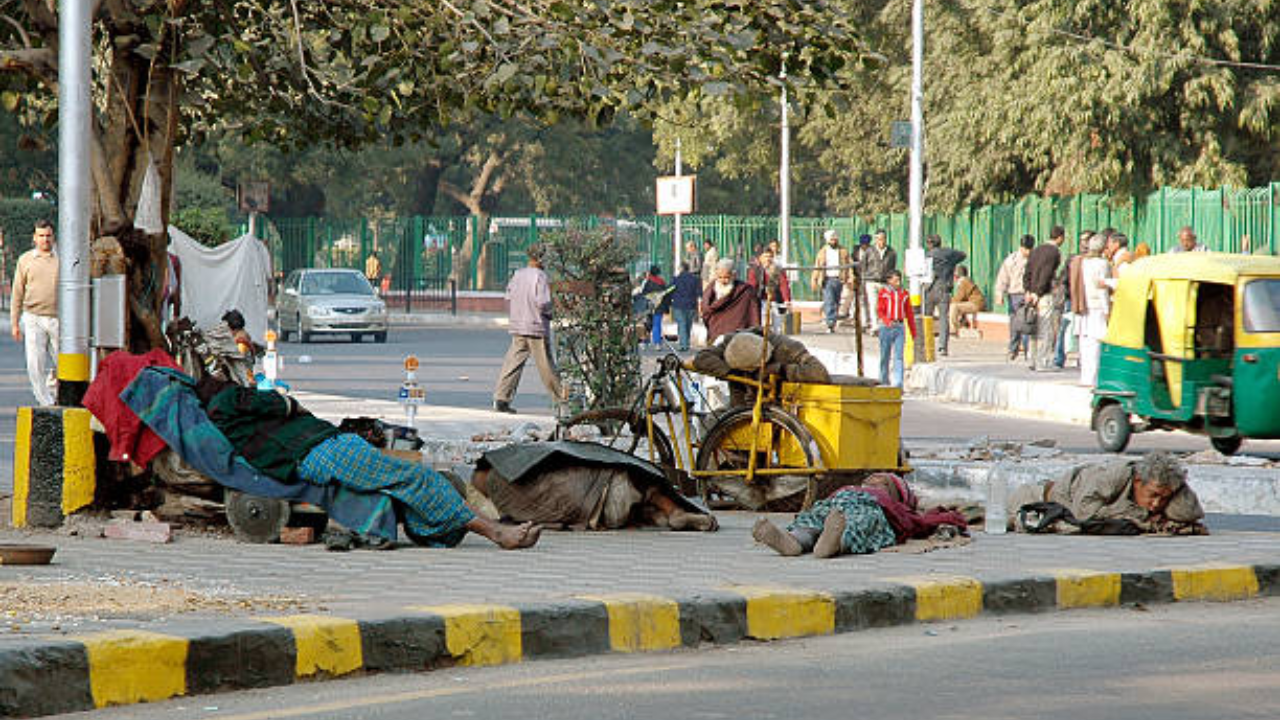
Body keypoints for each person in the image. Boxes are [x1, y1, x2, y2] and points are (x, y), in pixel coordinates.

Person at [195, 375, 541, 550]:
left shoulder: (223, 421)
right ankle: (498, 533)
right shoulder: (228, 401)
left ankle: (487, 527)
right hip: (325, 448)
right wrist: (291, 405)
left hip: (322, 450)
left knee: (407, 482)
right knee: (417, 478)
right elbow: (281, 402)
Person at [470, 441, 717, 532]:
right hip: (611, 489)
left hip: (597, 516)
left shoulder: (507, 510)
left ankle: (661, 518)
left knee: (630, 502)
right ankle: (671, 512)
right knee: (640, 482)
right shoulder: (519, 462)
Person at [752, 473, 968, 558]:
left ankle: (834, 543)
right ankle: (792, 542)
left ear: (895, 496)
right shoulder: (849, 489)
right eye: (871, 479)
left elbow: (921, 521)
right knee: (813, 516)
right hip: (835, 505)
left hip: (868, 508)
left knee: (860, 523)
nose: (874, 482)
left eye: (884, 483)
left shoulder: (892, 507)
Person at [1006, 452, 1204, 535]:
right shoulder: (1113, 477)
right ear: (1137, 481)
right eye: (1152, 495)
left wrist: (1179, 485)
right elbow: (1084, 513)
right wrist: (1139, 516)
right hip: (1035, 500)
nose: (1155, 504)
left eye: (1164, 498)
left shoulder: (1163, 488)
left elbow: (1189, 512)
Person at [493, 244, 565, 414]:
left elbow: (509, 296)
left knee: (513, 362)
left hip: (518, 324)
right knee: (546, 365)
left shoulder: (518, 274)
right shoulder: (540, 276)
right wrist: (551, 312)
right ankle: (561, 400)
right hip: (536, 325)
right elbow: (543, 303)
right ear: (541, 258)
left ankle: (501, 398)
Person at [10, 220, 59, 406]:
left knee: (63, 361)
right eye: (41, 236)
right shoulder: (25, 260)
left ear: (53, 237)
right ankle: (45, 401)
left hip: (57, 319)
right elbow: (17, 293)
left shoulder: (62, 259)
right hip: (33, 317)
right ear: (34, 238)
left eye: (48, 235)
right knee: (35, 362)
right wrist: (15, 323)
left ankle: (53, 389)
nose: (45, 239)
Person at [1023, 226, 1065, 371]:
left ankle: (1033, 360)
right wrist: (1038, 292)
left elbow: (1027, 271)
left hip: (1031, 295)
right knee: (1045, 328)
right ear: (1060, 237)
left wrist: (1028, 290)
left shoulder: (1036, 250)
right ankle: (1043, 362)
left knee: (1033, 328)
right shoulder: (1054, 252)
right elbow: (1046, 274)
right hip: (1044, 295)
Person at [923, 234, 966, 356]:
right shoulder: (948, 254)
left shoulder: (927, 255)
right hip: (944, 287)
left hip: (929, 288)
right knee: (943, 318)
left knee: (927, 317)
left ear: (929, 244)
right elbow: (962, 255)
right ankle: (942, 347)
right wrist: (951, 263)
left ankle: (927, 344)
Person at [1078, 234, 1112, 387]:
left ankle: (1086, 377)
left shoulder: (1084, 262)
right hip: (1098, 306)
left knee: (1086, 343)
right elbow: (1101, 289)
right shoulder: (1102, 264)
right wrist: (1106, 309)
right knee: (1097, 343)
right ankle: (1094, 378)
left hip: (1085, 305)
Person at [994, 235, 1034, 361]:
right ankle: (1013, 349)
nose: (1027, 252)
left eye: (1030, 249)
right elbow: (1003, 278)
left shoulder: (1034, 259)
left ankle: (1029, 351)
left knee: (1028, 323)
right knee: (1014, 324)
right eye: (1025, 249)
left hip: (1028, 294)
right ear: (1021, 247)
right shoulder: (1012, 260)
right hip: (1014, 295)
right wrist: (999, 293)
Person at [702, 258, 760, 343]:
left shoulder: (745, 291)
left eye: (726, 277)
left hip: (737, 336)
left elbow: (753, 313)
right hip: (716, 333)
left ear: (734, 275)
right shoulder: (710, 289)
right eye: (720, 277)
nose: (723, 281)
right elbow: (706, 309)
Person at [876, 269, 915, 388]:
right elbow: (880, 310)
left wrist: (912, 330)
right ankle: (883, 380)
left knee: (899, 357)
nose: (898, 282)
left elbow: (909, 312)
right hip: (886, 327)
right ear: (889, 281)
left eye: (899, 279)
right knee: (885, 355)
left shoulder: (904, 294)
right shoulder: (884, 293)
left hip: (899, 326)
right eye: (895, 280)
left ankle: (898, 383)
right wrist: (887, 321)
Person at [811, 229, 852, 334]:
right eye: (832, 239)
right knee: (829, 301)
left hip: (839, 279)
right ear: (827, 240)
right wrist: (814, 279)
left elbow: (849, 265)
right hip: (827, 279)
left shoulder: (843, 251)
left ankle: (832, 321)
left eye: (835, 239)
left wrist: (851, 277)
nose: (834, 241)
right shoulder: (822, 252)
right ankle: (830, 322)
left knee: (836, 302)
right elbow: (817, 266)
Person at [747, 247, 790, 333]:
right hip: (761, 300)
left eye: (770, 256)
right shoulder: (755, 270)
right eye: (765, 256)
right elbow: (751, 286)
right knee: (762, 324)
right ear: (760, 258)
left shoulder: (777, 269)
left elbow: (783, 284)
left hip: (775, 300)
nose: (768, 259)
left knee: (777, 326)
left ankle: (777, 340)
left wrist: (786, 299)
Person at [861, 230, 896, 333]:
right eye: (879, 239)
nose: (881, 241)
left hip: (885, 282)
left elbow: (892, 267)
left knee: (886, 304)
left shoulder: (891, 252)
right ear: (875, 239)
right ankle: (875, 326)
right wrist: (864, 279)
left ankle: (885, 323)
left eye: (883, 238)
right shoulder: (869, 251)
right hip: (871, 281)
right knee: (874, 304)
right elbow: (864, 266)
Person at [669, 262, 701, 351]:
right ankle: (686, 343)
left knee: (681, 324)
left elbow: (670, 291)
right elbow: (699, 293)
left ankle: (683, 344)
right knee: (688, 324)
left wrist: (670, 301)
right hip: (691, 305)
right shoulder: (695, 279)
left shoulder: (676, 279)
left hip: (678, 304)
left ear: (681, 269)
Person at [948, 266, 985, 334]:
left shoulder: (963, 281)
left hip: (975, 304)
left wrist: (949, 301)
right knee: (957, 306)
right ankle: (962, 324)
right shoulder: (965, 281)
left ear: (957, 275)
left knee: (954, 307)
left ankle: (953, 329)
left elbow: (959, 298)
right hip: (975, 303)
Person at [640, 265, 669, 346]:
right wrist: (666, 307)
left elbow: (643, 294)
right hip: (659, 306)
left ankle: (646, 341)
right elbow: (665, 295)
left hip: (649, 306)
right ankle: (657, 342)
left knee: (648, 323)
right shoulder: (662, 282)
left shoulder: (647, 282)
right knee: (657, 324)